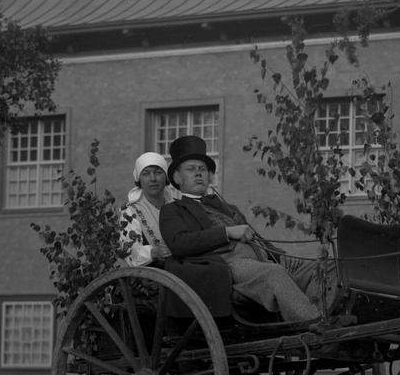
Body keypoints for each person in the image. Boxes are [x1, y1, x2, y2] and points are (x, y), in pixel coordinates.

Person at [157, 135, 325, 324]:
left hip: (263, 261)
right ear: (177, 177)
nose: (198, 173)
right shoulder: (172, 210)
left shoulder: (228, 208)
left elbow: (257, 238)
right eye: (191, 169)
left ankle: (320, 318)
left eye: (202, 169)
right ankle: (314, 327)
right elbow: (180, 244)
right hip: (228, 266)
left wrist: (281, 256)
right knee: (274, 274)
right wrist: (227, 232)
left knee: (322, 268)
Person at [121, 152, 179, 268]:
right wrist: (154, 252)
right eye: (146, 174)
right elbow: (130, 254)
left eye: (158, 172)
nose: (153, 179)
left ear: (166, 177)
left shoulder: (178, 208)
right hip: (150, 279)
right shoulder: (130, 213)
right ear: (139, 180)